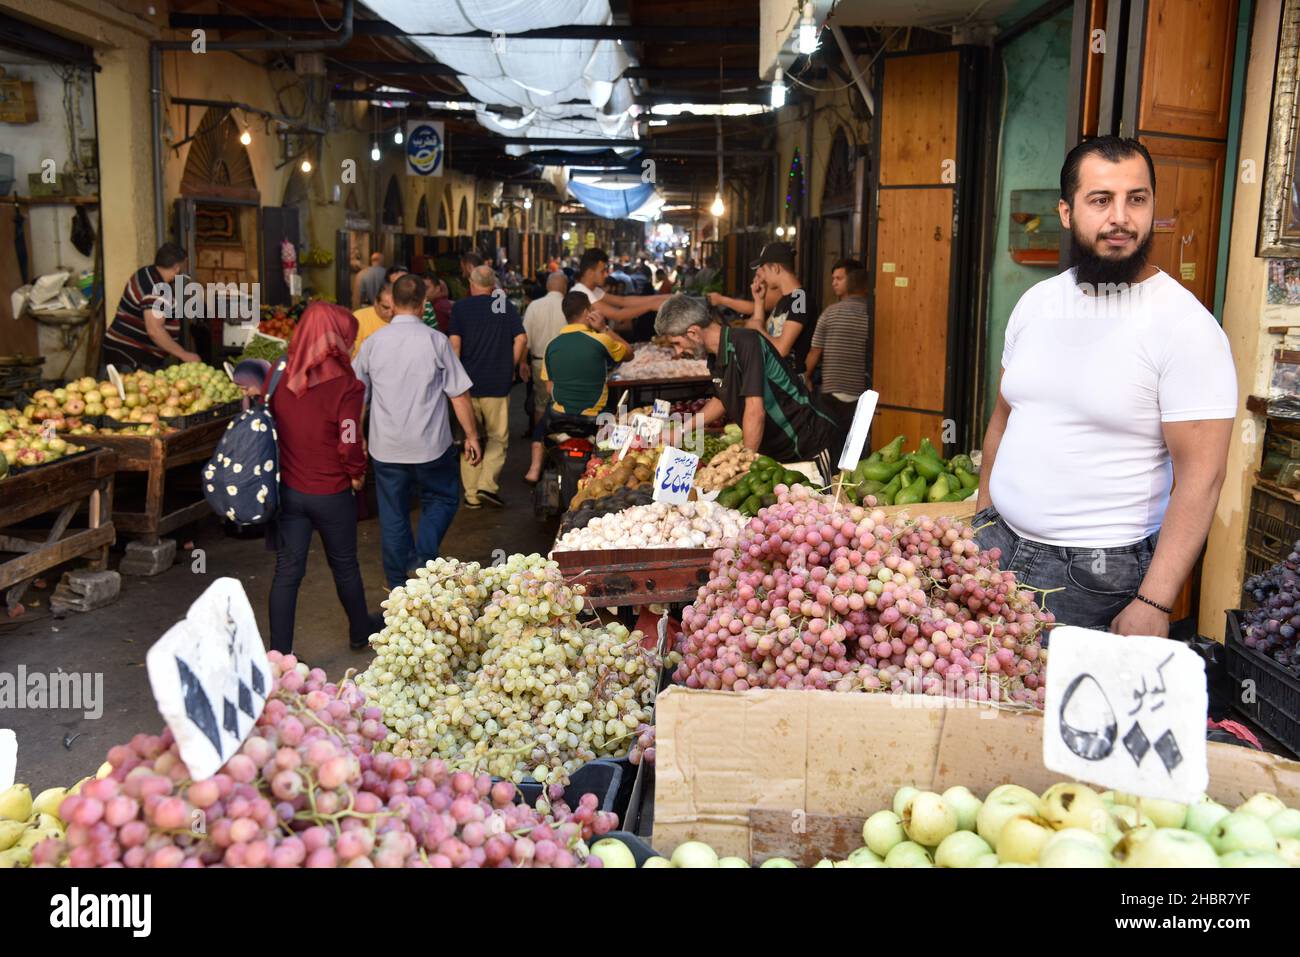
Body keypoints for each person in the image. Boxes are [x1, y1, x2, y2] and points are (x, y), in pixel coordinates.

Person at [974, 135, 1237, 635]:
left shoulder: (1186, 328)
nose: (1121, 217)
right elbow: (1004, 419)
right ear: (1067, 212)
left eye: (1136, 199)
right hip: (996, 545)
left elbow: (1202, 477)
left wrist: (1156, 602)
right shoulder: (1036, 303)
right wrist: (983, 513)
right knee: (980, 701)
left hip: (1093, 576)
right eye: (1101, 200)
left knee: (1055, 713)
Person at [354, 274, 483, 590]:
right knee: (442, 498)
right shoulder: (436, 341)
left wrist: (356, 436)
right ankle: (423, 560)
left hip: (387, 448)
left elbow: (356, 396)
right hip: (430, 447)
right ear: (424, 303)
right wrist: (472, 436)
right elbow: (458, 394)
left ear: (392, 305)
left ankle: (398, 583)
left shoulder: (372, 344)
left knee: (393, 513)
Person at [264, 303, 377, 653]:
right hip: (331, 492)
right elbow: (348, 440)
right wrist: (357, 474)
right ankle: (360, 631)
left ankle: (279, 656)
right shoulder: (347, 385)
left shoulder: (279, 373)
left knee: (287, 573)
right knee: (344, 566)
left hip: (290, 491)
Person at [655, 295, 841, 478]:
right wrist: (682, 430)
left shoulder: (746, 342)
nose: (678, 351)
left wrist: (743, 463)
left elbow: (755, 411)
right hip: (776, 451)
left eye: (677, 343)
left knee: (819, 504)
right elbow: (721, 399)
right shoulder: (715, 355)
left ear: (693, 333)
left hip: (809, 445)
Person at [525, 291, 630, 483]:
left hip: (560, 417)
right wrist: (604, 328)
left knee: (543, 421)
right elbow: (629, 353)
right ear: (587, 312)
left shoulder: (551, 345)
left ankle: (535, 468)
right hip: (595, 418)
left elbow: (550, 388)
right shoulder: (601, 340)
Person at [448, 265, 527, 509]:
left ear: (471, 285)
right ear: (493, 285)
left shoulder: (460, 308)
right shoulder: (502, 305)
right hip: (497, 382)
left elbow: (455, 345)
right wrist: (510, 365)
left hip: (467, 385)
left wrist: (454, 376)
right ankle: (487, 485)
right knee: (496, 437)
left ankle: (471, 494)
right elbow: (521, 338)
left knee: (471, 436)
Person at [103, 242, 200, 371]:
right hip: (130, 358)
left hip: (121, 351)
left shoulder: (146, 272)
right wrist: (184, 354)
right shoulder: (157, 290)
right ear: (177, 267)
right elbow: (154, 330)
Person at [806, 265, 872, 433]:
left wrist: (805, 377)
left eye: (839, 278)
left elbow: (815, 351)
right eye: (833, 278)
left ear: (853, 281)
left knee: (832, 440)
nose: (833, 283)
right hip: (863, 392)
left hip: (832, 392)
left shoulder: (830, 312)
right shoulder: (872, 314)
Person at [747, 242, 816, 367]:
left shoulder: (799, 298)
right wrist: (759, 301)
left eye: (764, 270)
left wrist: (758, 329)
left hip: (790, 381)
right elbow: (758, 326)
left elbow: (782, 349)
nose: (762, 277)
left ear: (775, 268)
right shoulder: (784, 299)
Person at [571, 248, 672, 333]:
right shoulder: (581, 292)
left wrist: (663, 298)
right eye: (602, 271)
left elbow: (623, 301)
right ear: (590, 273)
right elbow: (618, 315)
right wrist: (651, 305)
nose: (606, 275)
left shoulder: (593, 290)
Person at [521, 270, 569, 427]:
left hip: (539, 363)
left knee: (540, 406)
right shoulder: (569, 306)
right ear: (565, 287)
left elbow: (524, 339)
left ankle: (539, 444)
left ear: (548, 286)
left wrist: (523, 363)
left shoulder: (534, 306)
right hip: (564, 363)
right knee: (564, 404)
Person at [351, 283, 394, 358]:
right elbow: (354, 356)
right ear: (375, 303)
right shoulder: (359, 318)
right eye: (386, 307)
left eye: (395, 309)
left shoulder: (404, 319)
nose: (390, 313)